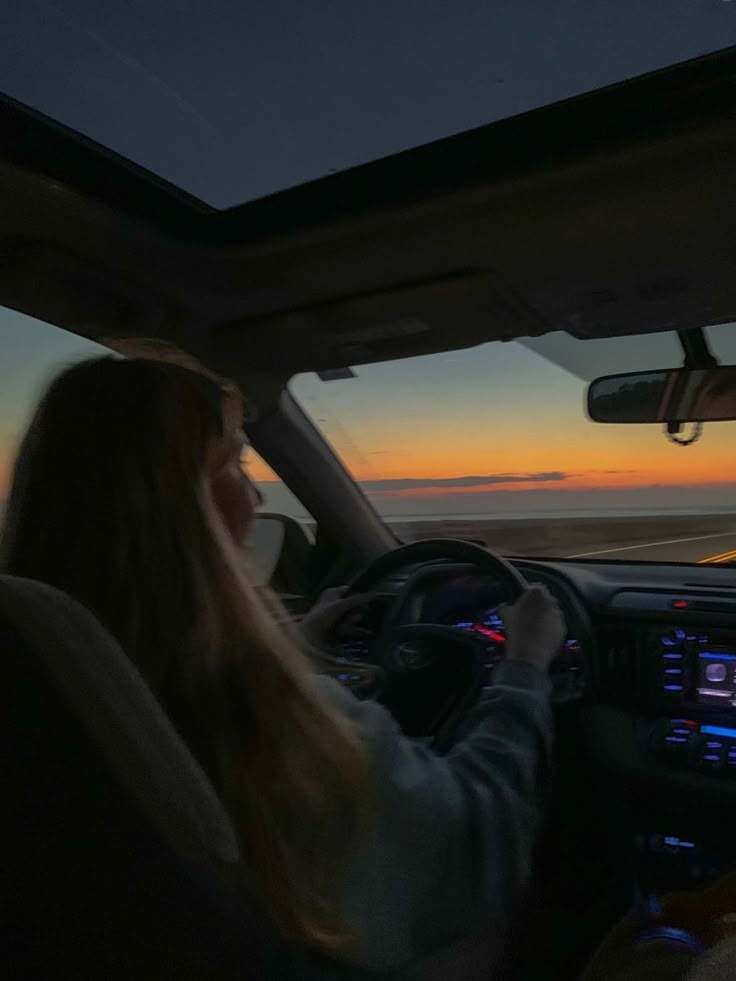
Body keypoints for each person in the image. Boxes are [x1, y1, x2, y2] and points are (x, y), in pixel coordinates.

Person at [0, 346, 564, 975]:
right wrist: (523, 670)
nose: (257, 494)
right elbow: (477, 830)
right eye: (236, 464)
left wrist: (297, 645)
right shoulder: (257, 713)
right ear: (188, 504)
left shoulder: (39, 675)